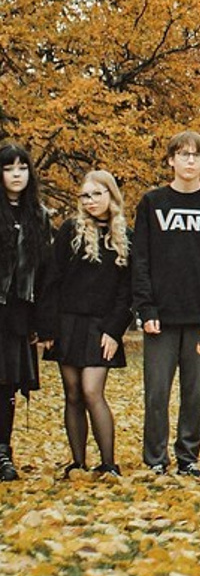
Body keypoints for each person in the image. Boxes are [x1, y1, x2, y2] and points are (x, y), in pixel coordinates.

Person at [132, 130, 200, 477]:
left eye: (197, 155)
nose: (190, 161)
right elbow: (140, 259)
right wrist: (146, 309)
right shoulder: (152, 202)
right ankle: (156, 460)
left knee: (195, 395)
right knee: (157, 393)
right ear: (171, 160)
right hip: (159, 318)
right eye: (183, 154)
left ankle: (188, 458)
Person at [41, 171, 132, 476]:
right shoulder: (71, 230)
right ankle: (78, 463)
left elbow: (126, 292)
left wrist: (114, 330)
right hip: (67, 322)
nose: (90, 201)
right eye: (85, 195)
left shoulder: (124, 236)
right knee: (73, 393)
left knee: (93, 390)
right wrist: (48, 328)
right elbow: (52, 279)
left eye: (97, 194)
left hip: (101, 326)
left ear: (111, 195)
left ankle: (109, 464)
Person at [0, 144, 51, 481]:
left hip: (19, 310)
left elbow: (46, 271)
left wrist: (41, 321)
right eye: (8, 168)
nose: (16, 175)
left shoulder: (39, 215)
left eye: (22, 168)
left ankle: (3, 452)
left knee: (6, 385)